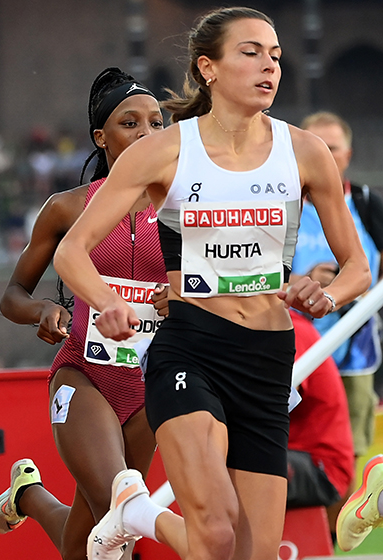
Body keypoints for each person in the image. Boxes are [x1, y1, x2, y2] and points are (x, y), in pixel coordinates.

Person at [54, 7, 370, 560]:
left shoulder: (305, 152)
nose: (269, 66)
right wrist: (106, 301)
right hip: (192, 349)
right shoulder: (166, 151)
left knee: (251, 552)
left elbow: (358, 269)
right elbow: (71, 251)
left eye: (275, 55)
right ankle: (139, 512)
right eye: (251, 52)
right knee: (216, 531)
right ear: (209, 68)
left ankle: (136, 512)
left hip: (268, 358)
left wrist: (327, 296)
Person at [0, 67, 186, 560]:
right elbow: (12, 294)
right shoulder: (68, 208)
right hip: (85, 375)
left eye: (156, 123)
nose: (147, 133)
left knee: (88, 541)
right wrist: (42, 310)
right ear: (101, 137)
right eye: (130, 123)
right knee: (119, 514)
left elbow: (210, 288)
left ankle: (29, 497)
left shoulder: (183, 208)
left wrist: (182, 296)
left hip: (150, 382)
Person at [292, 112, 383, 486]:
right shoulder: (280, 204)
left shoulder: (367, 204)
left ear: (348, 155)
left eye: (332, 147)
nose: (323, 155)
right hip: (294, 344)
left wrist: (352, 289)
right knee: (291, 441)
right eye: (315, 146)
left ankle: (348, 514)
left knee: (351, 450)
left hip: (355, 346)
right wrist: (306, 281)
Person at [285, 311, 353, 519]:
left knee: (219, 464)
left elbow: (276, 399)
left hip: (320, 466)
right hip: (293, 454)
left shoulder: (286, 327)